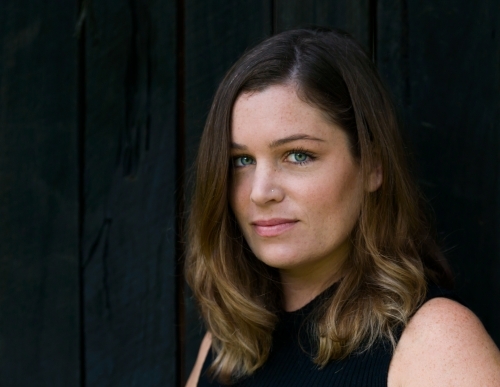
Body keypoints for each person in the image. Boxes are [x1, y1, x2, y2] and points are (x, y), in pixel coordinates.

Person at [184, 27, 500, 386]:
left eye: (298, 155)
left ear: (372, 166)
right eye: (241, 160)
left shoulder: (436, 343)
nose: (260, 192)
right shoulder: (227, 347)